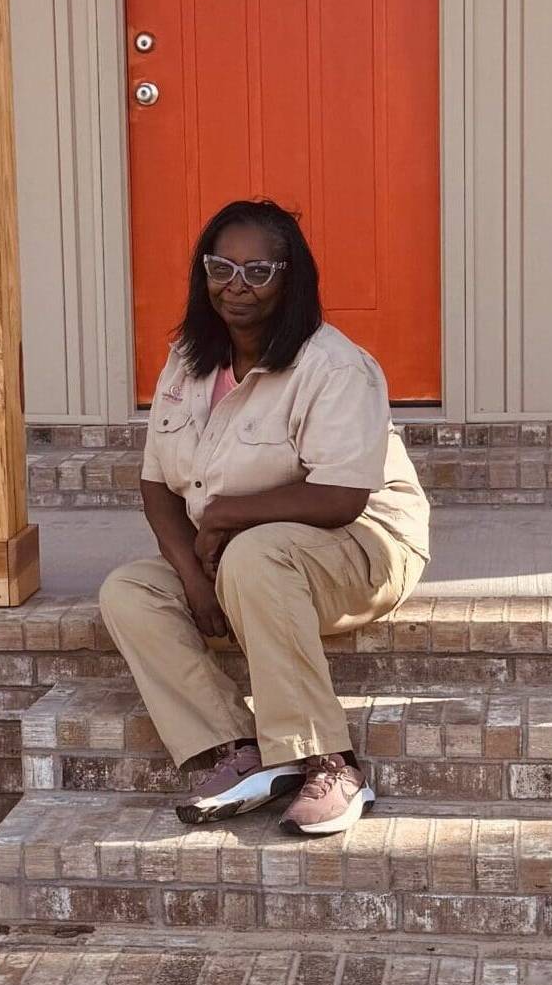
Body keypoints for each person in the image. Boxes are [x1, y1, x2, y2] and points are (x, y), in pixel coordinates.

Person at [98, 199, 432, 836]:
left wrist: (228, 515)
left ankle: (329, 764)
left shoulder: (333, 366)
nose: (237, 286)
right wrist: (194, 581)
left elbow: (341, 499)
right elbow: (157, 485)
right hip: (239, 560)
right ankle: (238, 751)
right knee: (131, 591)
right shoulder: (188, 360)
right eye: (221, 268)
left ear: (289, 278)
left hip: (363, 547)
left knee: (256, 554)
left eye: (258, 271)